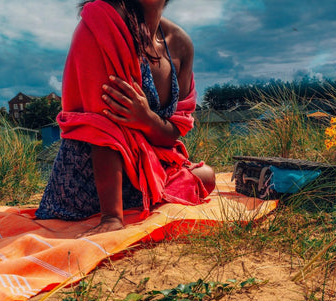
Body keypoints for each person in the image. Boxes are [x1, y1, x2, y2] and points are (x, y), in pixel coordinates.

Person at [36, 0, 215, 234]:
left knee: (207, 177)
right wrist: (112, 217)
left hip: (144, 174)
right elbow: (100, 126)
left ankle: (150, 196)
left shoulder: (180, 44)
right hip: (89, 180)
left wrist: (147, 119)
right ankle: (132, 204)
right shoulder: (101, 25)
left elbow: (174, 132)